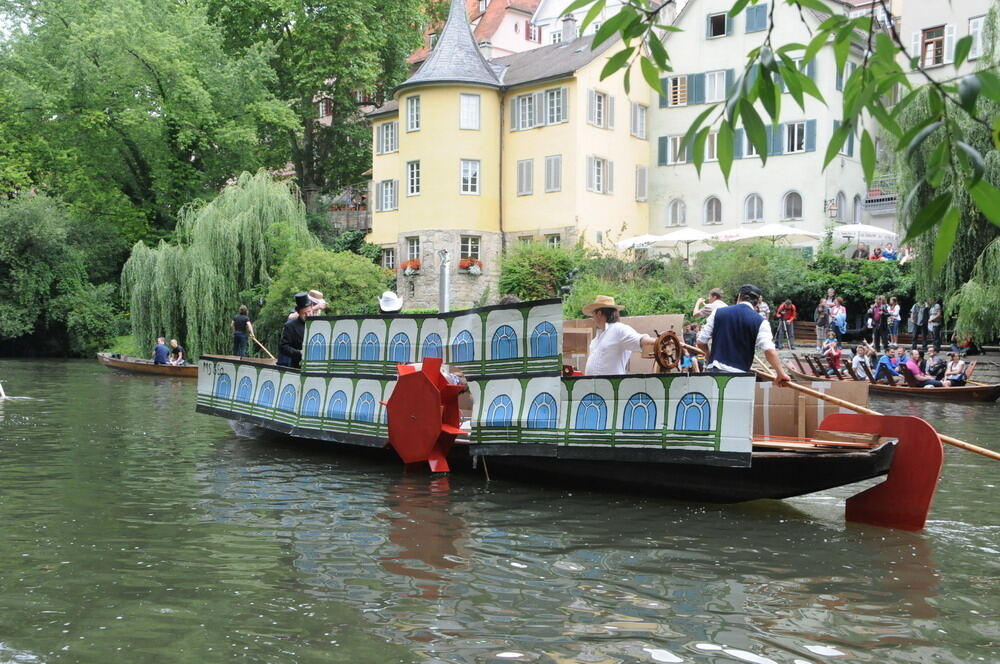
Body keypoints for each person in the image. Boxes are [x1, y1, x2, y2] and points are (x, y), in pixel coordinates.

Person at [695, 284, 790, 385]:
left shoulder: (718, 313)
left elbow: (701, 342)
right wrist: (781, 373)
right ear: (757, 302)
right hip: (740, 376)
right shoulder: (760, 321)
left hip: (715, 373)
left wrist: (710, 358)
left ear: (739, 296)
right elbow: (769, 351)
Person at [582, 295, 656, 375]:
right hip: (595, 386)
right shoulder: (596, 339)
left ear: (599, 313)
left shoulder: (618, 330)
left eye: (593, 314)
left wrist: (657, 341)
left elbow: (640, 339)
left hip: (612, 386)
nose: (593, 318)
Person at [278, 293, 312, 368]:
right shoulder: (290, 326)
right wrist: (299, 353)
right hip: (297, 365)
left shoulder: (318, 324)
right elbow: (283, 347)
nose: (308, 315)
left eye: (309, 312)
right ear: (299, 313)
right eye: (304, 313)